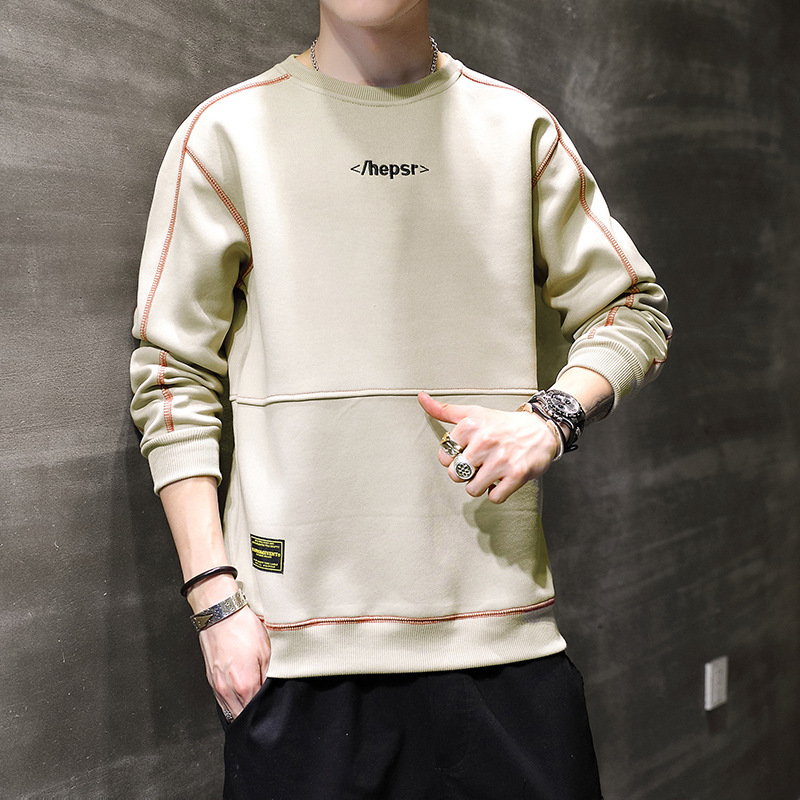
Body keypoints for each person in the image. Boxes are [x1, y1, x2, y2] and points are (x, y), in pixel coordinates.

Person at [130, 1, 671, 797]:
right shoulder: (227, 135)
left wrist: (552, 419)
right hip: (295, 656)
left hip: (503, 647)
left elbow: (632, 309)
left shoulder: (517, 129)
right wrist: (214, 602)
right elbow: (172, 373)